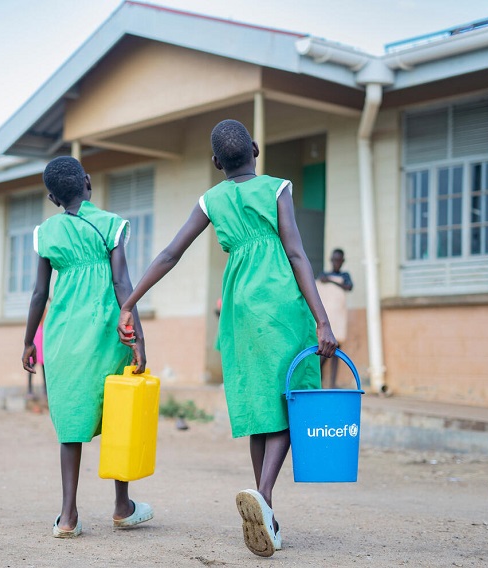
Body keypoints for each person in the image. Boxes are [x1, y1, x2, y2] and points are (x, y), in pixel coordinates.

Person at [117, 119, 338, 557]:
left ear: (216, 162)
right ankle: (266, 497)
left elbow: (170, 253)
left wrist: (130, 302)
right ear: (255, 149)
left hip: (238, 306)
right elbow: (296, 251)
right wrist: (323, 320)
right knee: (293, 398)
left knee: (260, 404)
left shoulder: (212, 199)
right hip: (279, 301)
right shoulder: (276, 188)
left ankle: (266, 517)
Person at [21, 156, 152, 539]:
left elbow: (39, 293)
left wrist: (30, 339)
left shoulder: (46, 233)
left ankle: (68, 516)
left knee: (71, 422)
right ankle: (122, 506)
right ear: (88, 182)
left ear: (51, 197)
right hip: (108, 334)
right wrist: (138, 339)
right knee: (118, 416)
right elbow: (123, 285)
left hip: (62, 336)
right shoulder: (111, 224)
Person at [316, 248, 353, 389]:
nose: (336, 262)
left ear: (342, 261)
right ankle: (319, 381)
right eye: (334, 259)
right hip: (327, 316)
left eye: (339, 260)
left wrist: (331, 281)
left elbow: (348, 287)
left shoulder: (344, 276)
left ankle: (332, 383)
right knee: (323, 352)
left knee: (337, 351)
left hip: (338, 318)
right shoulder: (323, 275)